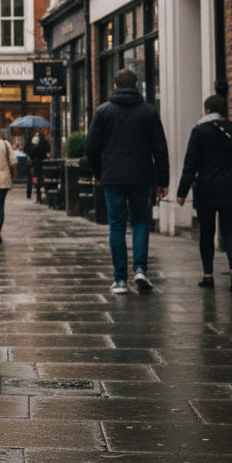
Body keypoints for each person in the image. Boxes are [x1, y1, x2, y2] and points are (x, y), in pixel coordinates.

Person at [86, 68, 169, 295]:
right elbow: (160, 148)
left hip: (113, 176)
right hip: (142, 176)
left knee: (117, 225)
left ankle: (120, 280)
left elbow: (91, 146)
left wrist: (98, 172)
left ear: (115, 86)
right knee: (140, 221)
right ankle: (140, 270)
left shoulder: (103, 111)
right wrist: (163, 180)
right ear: (136, 85)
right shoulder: (149, 111)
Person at [175, 94, 232, 293]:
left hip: (206, 189)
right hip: (231, 188)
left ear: (206, 110)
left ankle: (208, 276)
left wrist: (182, 191)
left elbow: (190, 164)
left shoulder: (199, 131)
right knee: (230, 230)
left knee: (206, 231)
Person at [27, 128, 51, 203]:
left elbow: (32, 154)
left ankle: (38, 197)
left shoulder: (36, 146)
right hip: (44, 165)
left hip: (36, 165)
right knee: (43, 181)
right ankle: (44, 196)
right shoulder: (46, 144)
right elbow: (48, 154)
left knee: (37, 181)